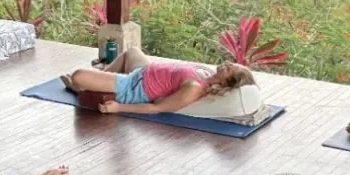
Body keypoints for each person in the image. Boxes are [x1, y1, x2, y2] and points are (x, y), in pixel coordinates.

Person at [62, 48, 256, 115]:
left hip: (132, 86)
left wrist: (119, 108)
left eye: (231, 68)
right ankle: (99, 78)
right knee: (132, 52)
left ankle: (78, 86)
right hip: (142, 72)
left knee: (78, 75)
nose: (228, 63)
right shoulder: (205, 71)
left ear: (226, 82)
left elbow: (157, 108)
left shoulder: (195, 88)